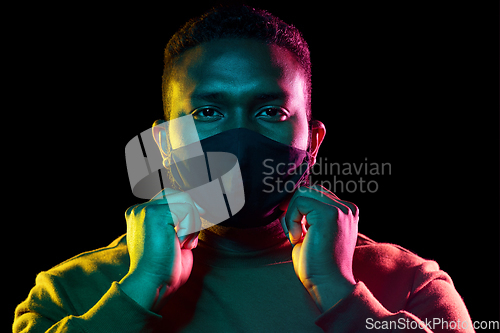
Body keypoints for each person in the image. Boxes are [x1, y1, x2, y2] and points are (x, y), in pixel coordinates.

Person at [14, 5, 474, 332]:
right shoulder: (71, 293)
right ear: (163, 143)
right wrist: (139, 291)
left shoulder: (410, 283)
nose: (240, 139)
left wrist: (338, 291)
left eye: (270, 112)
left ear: (312, 143)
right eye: (206, 113)